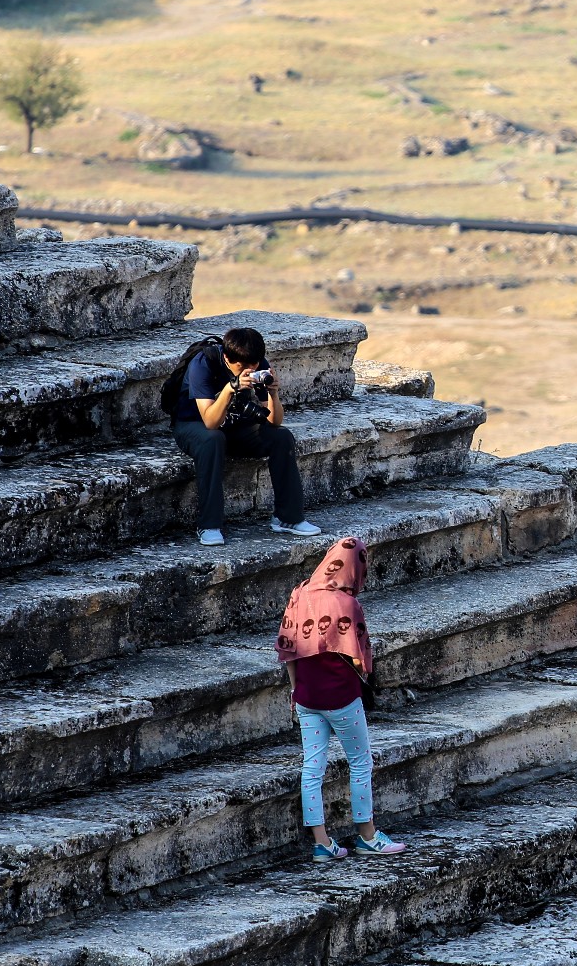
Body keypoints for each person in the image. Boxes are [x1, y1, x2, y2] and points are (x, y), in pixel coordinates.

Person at [277, 537, 406, 861]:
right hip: (342, 697)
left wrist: (296, 691)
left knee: (313, 767)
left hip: (306, 697)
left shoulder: (300, 592)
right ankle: (367, 836)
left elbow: (288, 649)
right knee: (361, 762)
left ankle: (322, 843)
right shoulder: (347, 605)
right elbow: (362, 658)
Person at [164, 325, 320, 546]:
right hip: (194, 426)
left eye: (254, 365)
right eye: (242, 366)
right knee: (213, 439)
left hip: (236, 426)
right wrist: (229, 389)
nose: (249, 370)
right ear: (227, 356)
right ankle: (209, 524)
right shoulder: (204, 363)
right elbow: (210, 422)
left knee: (282, 437)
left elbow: (274, 421)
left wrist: (273, 394)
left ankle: (288, 518)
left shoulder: (258, 363)